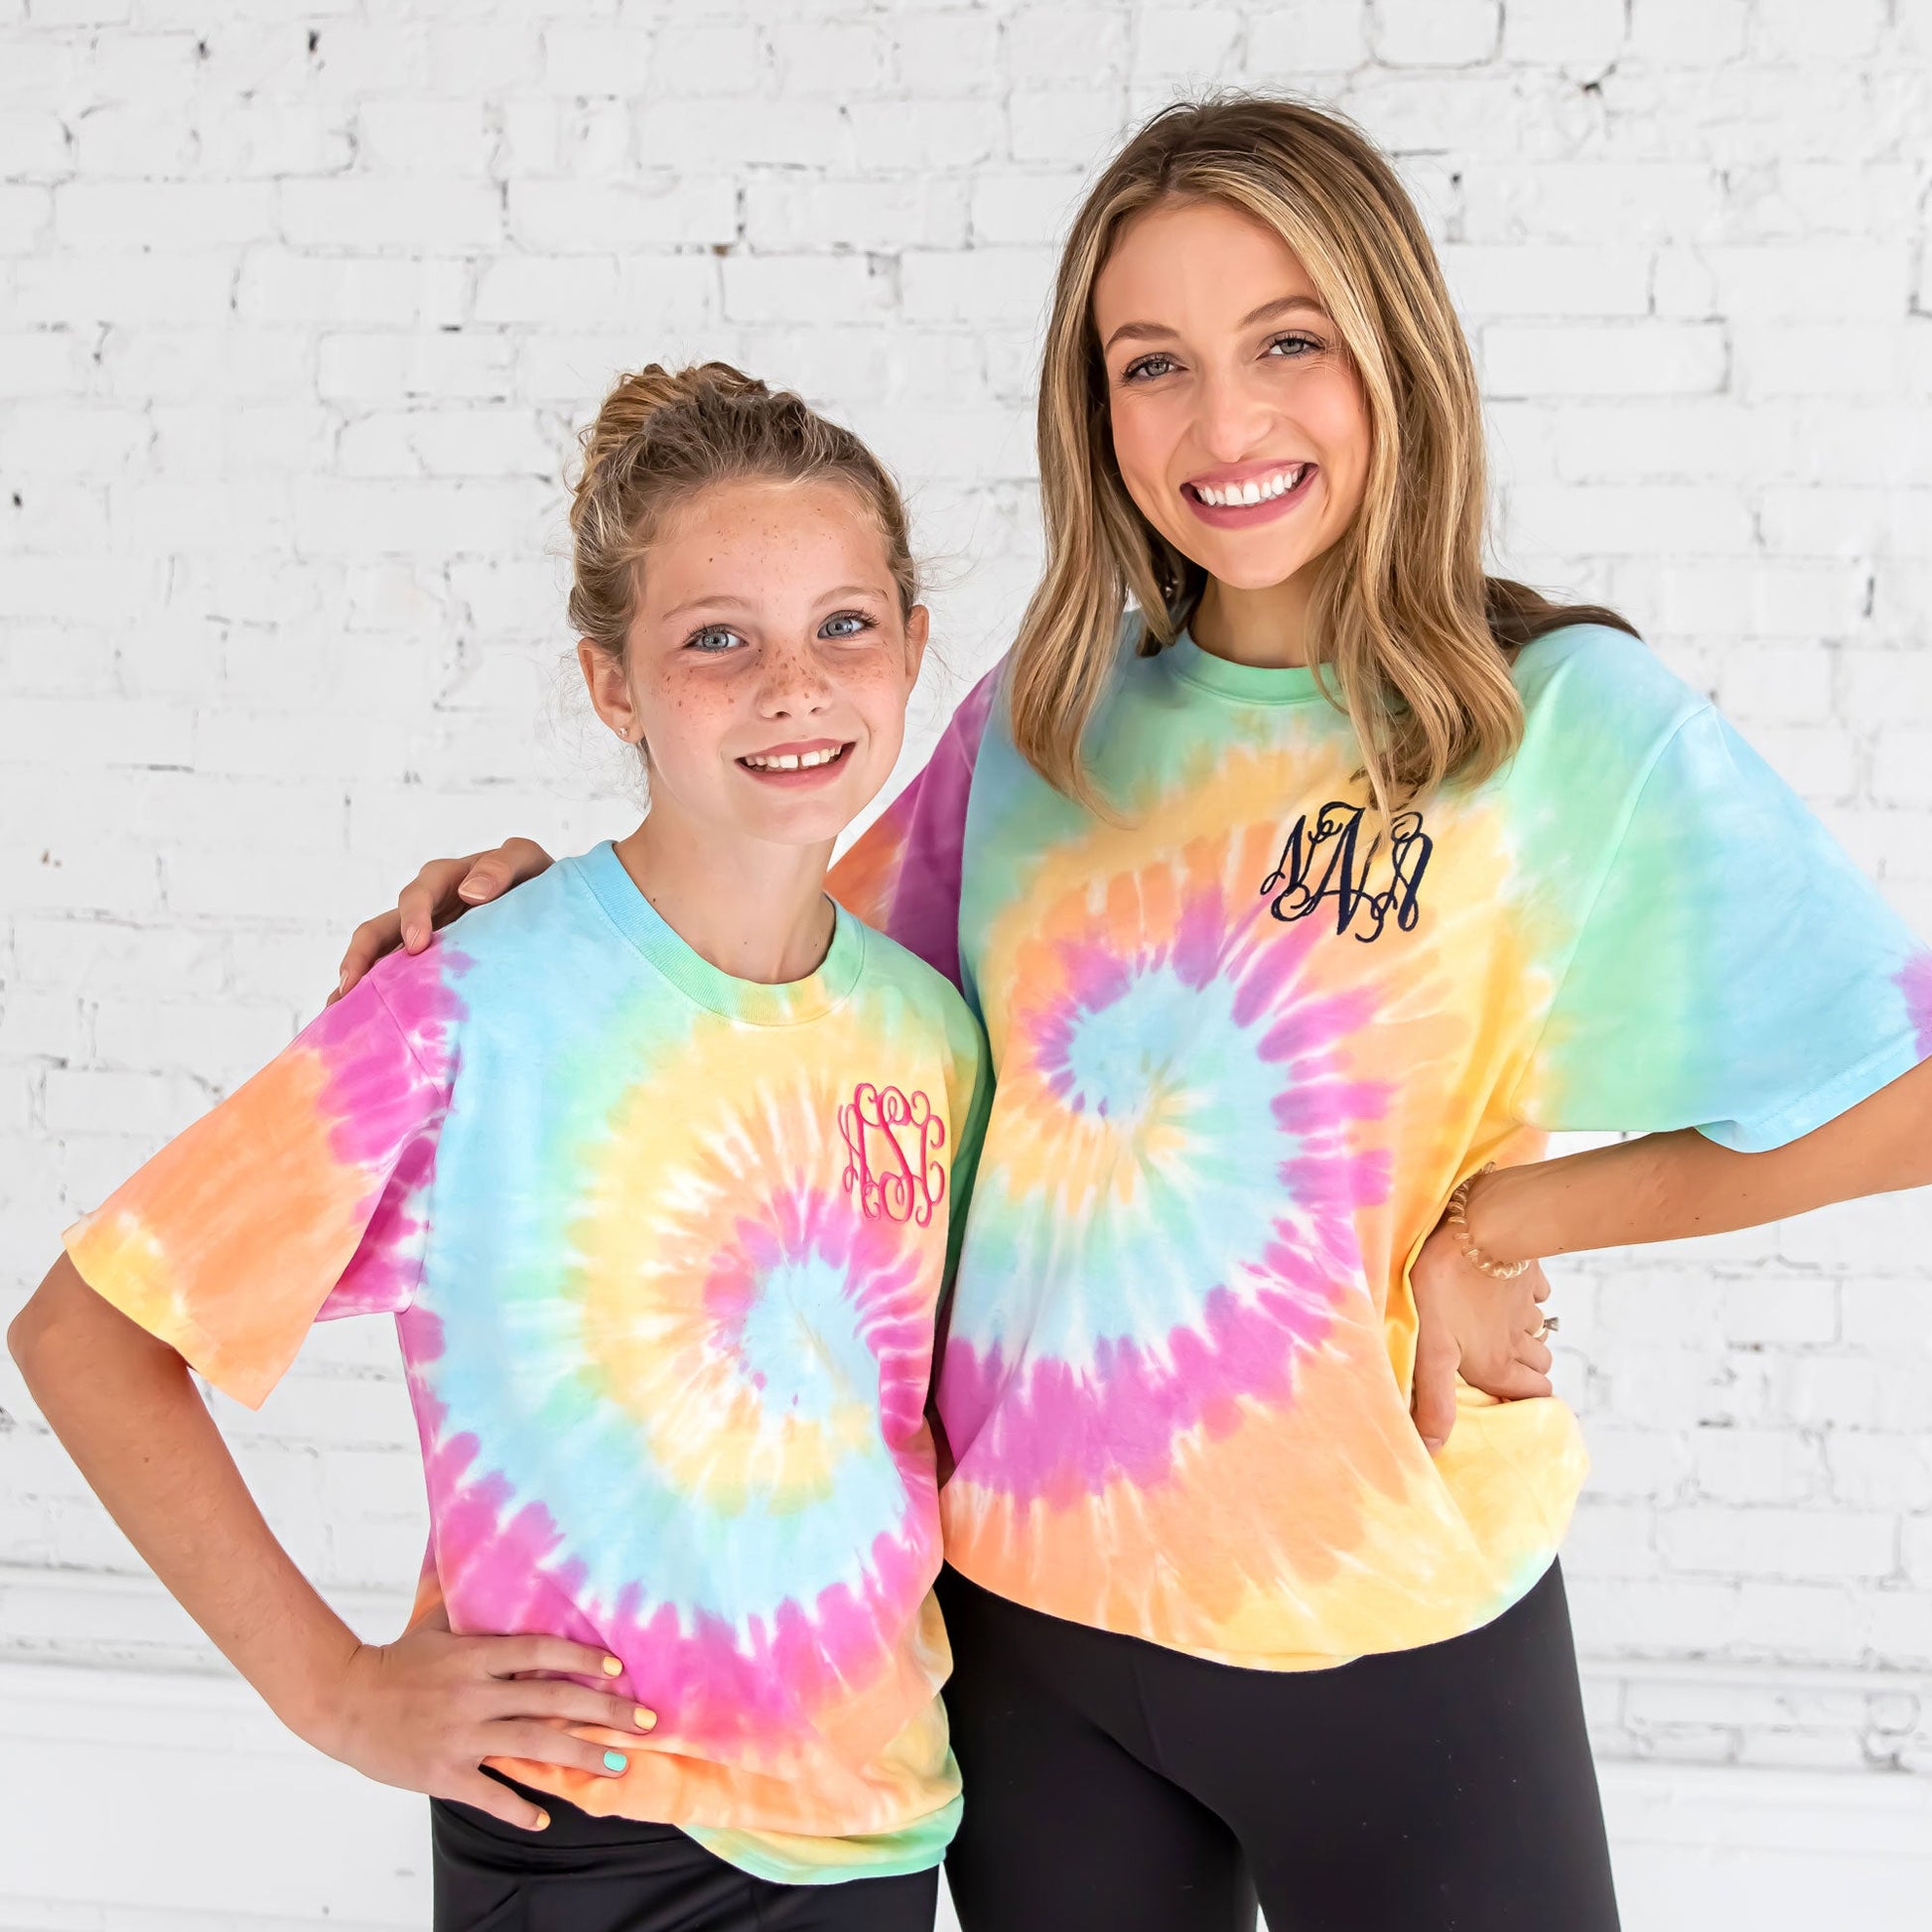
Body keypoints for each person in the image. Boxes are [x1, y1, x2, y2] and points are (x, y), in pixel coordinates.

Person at [330, 97, 1932, 1932]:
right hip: (1030, 1644)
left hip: (1387, 1620)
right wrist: (541, 916)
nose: (1222, 425)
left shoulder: (1552, 724)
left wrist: (1502, 1219)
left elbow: (1904, 1092)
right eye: (1151, 362)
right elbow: (777, 997)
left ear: (1392, 353)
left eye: (1286, 342)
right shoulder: (1044, 716)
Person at [10, 362, 992, 1932]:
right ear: (612, 684)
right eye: (716, 638)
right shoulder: (471, 999)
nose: (793, 686)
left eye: (843, 626)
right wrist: (332, 1689)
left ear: (912, 648)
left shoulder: (928, 1030)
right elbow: (87, 1333)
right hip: (583, 1825)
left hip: (875, 1823)